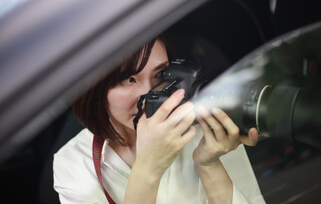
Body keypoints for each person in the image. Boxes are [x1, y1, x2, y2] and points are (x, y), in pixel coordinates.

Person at [53, 37, 265, 203]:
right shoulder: (74, 162)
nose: (148, 96)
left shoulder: (206, 127)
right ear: (95, 91)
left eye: (161, 74)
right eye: (128, 80)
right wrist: (148, 168)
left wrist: (209, 165)